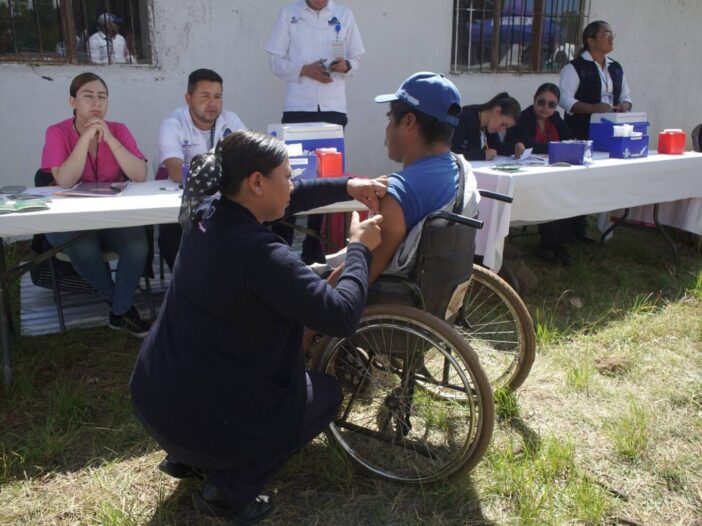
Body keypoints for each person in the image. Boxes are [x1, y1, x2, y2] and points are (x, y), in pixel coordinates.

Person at [130, 130, 386, 524]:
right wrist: (359, 250)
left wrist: (346, 186)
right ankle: (227, 491)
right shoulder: (262, 256)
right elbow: (342, 315)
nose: (292, 185)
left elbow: (286, 200)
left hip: (154, 400)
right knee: (325, 394)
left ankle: (187, 459)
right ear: (256, 182)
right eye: (287, 176)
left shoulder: (207, 210)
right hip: (197, 421)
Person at [324, 72, 480, 287]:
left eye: (390, 119)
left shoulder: (397, 194)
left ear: (408, 122)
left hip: (386, 299)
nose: (387, 129)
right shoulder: (459, 169)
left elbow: (352, 281)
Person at [40, 72, 151, 336]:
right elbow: (65, 180)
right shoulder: (57, 132)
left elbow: (139, 174)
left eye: (102, 97)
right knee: (83, 246)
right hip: (68, 220)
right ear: (72, 101)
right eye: (87, 96)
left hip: (111, 218)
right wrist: (85, 138)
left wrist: (109, 138)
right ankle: (121, 308)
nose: (96, 103)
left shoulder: (119, 130)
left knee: (137, 245)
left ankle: (119, 311)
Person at [265, 0, 366, 264]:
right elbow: (275, 61)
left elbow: (357, 59)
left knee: (326, 173)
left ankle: (314, 245)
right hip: (298, 107)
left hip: (333, 108)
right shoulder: (289, 14)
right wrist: (304, 70)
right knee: (290, 173)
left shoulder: (344, 14)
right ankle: (282, 241)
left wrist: (347, 66)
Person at [157, 68, 246, 271]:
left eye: (217, 97)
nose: (213, 103)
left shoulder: (231, 121)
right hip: (181, 201)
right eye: (205, 96)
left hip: (221, 197)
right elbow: (177, 172)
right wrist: (224, 170)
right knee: (174, 241)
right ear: (188, 98)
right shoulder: (172, 124)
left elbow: (247, 159)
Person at [509, 83, 578, 265]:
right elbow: (528, 144)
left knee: (566, 191)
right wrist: (555, 148)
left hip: (553, 171)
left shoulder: (555, 118)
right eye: (541, 102)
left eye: (551, 104)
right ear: (534, 100)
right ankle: (549, 244)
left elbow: (570, 139)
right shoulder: (524, 117)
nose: (545, 108)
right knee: (551, 194)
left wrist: (555, 147)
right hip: (529, 173)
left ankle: (557, 242)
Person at [559, 20, 632, 140]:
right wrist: (593, 108)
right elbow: (564, 99)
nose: (611, 38)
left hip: (610, 132)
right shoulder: (575, 67)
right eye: (606, 34)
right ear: (591, 41)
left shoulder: (615, 67)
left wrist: (624, 105)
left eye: (611, 34)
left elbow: (626, 97)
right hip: (581, 134)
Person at [451, 92, 521, 160]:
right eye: (503, 124)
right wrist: (482, 155)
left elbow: (498, 148)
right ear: (497, 111)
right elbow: (451, 152)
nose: (501, 130)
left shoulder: (490, 127)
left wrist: (514, 146)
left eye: (506, 127)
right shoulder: (465, 118)